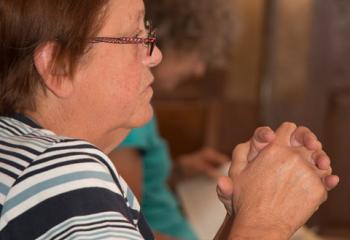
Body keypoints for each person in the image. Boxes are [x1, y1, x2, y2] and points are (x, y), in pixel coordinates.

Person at [0, 1, 339, 240]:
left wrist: (240, 215)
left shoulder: (22, 152)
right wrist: (265, 222)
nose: (155, 54)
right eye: (134, 38)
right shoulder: (64, 173)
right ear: (58, 65)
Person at [109, 1, 235, 238]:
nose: (199, 70)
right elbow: (125, 223)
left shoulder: (140, 108)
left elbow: (138, 191)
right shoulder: (131, 110)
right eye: (197, 54)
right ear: (169, 41)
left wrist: (179, 171)